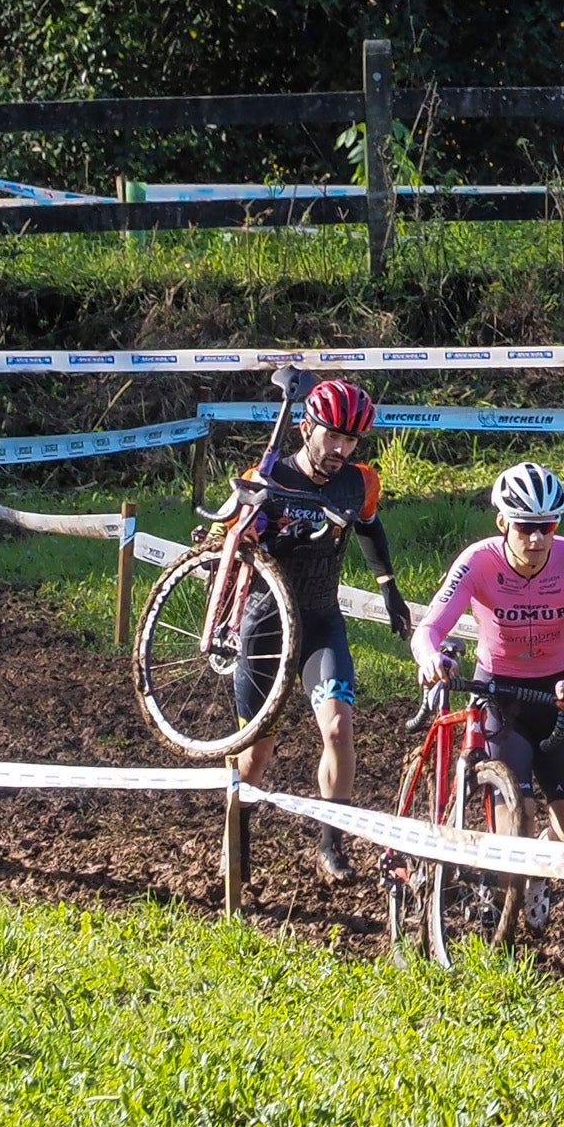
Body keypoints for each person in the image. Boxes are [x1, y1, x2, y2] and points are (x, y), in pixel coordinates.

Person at [211, 375, 404, 882]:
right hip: (265, 624)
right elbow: (223, 547)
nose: (339, 448)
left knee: (340, 729)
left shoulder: (357, 481)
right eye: (331, 436)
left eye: (350, 440)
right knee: (256, 753)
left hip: (320, 620)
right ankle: (239, 839)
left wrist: (388, 586)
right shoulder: (268, 475)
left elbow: (369, 525)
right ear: (305, 427)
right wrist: (266, 535)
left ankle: (332, 845)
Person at [414, 464, 564, 878]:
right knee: (511, 842)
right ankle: (506, 919)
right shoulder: (478, 561)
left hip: (555, 696)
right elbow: (428, 629)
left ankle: (540, 866)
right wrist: (431, 657)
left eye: (547, 525)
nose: (537, 538)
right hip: (499, 696)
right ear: (503, 522)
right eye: (524, 527)